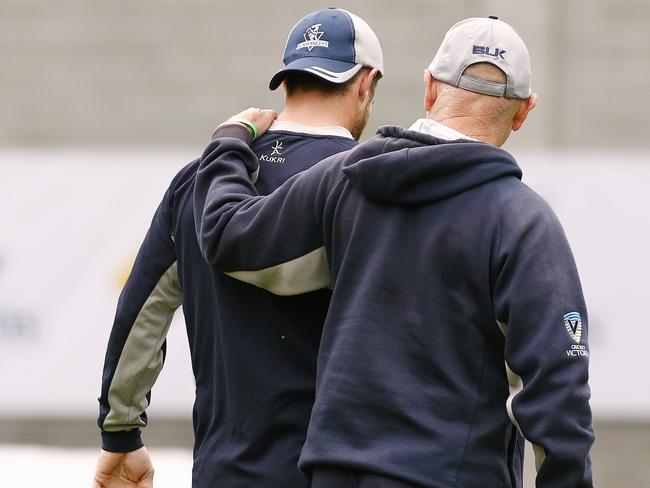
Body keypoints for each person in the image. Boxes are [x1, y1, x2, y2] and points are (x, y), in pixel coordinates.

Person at [193, 16, 594, 488]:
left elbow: (229, 238)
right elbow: (558, 391)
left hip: (334, 472)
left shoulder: (345, 179)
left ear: (429, 88)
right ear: (524, 111)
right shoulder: (524, 221)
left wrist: (229, 143)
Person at [92, 8, 383, 488]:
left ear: (286, 84)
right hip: (328, 472)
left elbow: (140, 315)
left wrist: (120, 434)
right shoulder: (365, 185)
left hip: (219, 472)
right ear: (366, 83)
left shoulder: (198, 179)